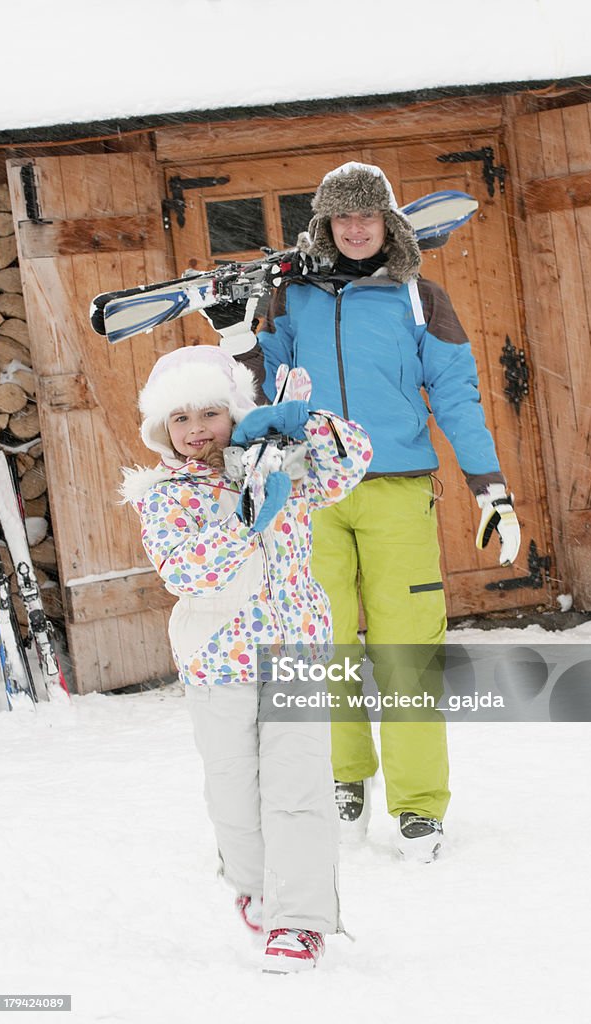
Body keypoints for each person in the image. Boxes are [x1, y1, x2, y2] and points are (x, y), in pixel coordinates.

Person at [248, 161, 521, 863]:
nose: (356, 228)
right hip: (311, 493)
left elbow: (457, 397)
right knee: (324, 646)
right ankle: (345, 777)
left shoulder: (419, 298)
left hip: (397, 490)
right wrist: (236, 336)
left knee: (407, 651)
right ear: (325, 226)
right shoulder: (289, 298)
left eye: (368, 215)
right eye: (342, 217)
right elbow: (256, 385)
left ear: (389, 222)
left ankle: (418, 805)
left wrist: (489, 485)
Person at [120, 345, 372, 972]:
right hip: (217, 662)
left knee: (298, 790)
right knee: (233, 792)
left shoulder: (284, 463)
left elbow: (352, 462)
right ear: (162, 429)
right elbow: (185, 571)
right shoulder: (166, 494)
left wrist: (298, 424)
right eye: (181, 419)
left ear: (236, 413)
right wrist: (246, 518)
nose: (197, 429)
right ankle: (256, 888)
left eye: (211, 412)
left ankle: (300, 921)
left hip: (296, 650)